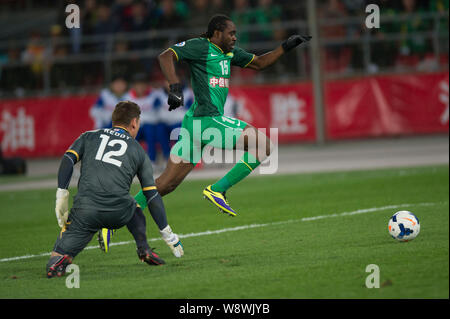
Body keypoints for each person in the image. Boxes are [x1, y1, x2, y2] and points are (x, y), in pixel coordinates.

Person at [132, 14, 311, 217]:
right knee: (264, 145)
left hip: (195, 123)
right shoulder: (200, 46)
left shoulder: (230, 53)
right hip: (207, 119)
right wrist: (174, 86)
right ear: (217, 33)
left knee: (166, 184)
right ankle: (217, 189)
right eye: (231, 33)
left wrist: (285, 46)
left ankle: (119, 214)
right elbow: (166, 55)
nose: (235, 37)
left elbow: (260, 63)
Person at [46, 101, 184, 278]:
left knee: (56, 256)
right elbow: (151, 194)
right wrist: (167, 233)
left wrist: (61, 194)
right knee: (135, 208)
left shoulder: (89, 136)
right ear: (134, 122)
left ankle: (59, 262)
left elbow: (67, 159)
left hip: (85, 210)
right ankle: (144, 248)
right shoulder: (139, 151)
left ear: (113, 120)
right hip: (118, 211)